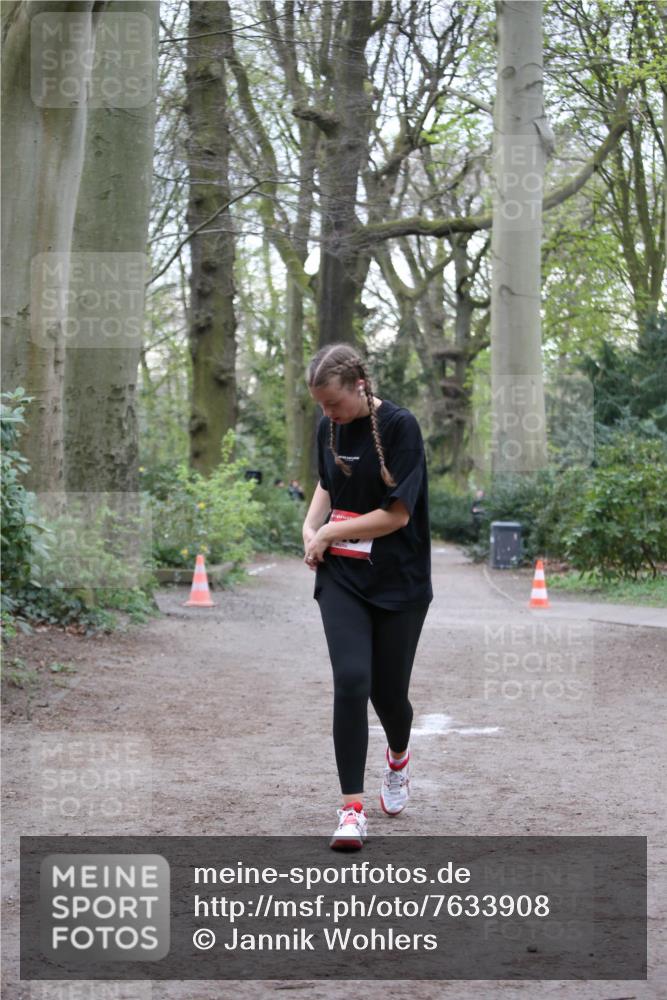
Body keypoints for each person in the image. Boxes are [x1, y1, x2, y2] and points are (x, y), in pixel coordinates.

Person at [302, 343, 433, 850]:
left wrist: (330, 535)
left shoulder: (401, 427)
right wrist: (311, 529)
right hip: (343, 579)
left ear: (359, 386)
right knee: (353, 681)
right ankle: (351, 810)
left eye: (333, 404)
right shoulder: (327, 426)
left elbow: (396, 515)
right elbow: (325, 485)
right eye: (320, 405)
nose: (327, 414)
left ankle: (398, 757)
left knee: (389, 696)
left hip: (399, 581)